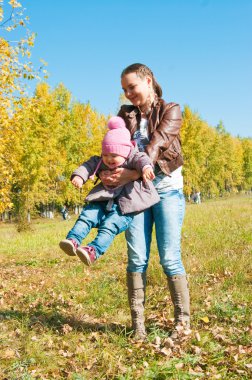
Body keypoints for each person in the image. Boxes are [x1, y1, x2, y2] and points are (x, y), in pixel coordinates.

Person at [99, 63, 190, 340]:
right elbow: (115, 145)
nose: (128, 94)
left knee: (170, 258)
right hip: (135, 194)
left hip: (166, 191)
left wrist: (133, 172)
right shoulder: (125, 115)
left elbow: (159, 144)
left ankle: (182, 323)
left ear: (147, 81)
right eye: (124, 90)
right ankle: (138, 326)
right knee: (137, 257)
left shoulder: (171, 110)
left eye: (132, 87)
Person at [59, 116, 160, 266]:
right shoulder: (100, 161)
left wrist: (145, 169)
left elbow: (143, 160)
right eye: (105, 155)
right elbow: (88, 166)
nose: (108, 159)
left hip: (125, 206)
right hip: (102, 200)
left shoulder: (133, 157)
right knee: (86, 216)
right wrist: (79, 177)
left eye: (114, 155)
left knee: (109, 226)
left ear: (125, 152)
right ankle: (73, 240)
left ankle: (93, 250)